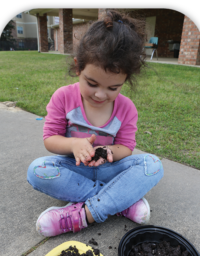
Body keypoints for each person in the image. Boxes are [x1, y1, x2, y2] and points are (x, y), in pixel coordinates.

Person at [27, 10, 164, 237]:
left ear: (124, 81)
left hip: (110, 170)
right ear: (78, 67)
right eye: (92, 83)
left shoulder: (127, 108)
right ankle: (121, 201)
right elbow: (50, 139)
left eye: (113, 88)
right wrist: (73, 146)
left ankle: (81, 215)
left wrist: (106, 151)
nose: (100, 95)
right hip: (75, 170)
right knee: (37, 170)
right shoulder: (63, 97)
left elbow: (126, 148)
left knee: (153, 165)